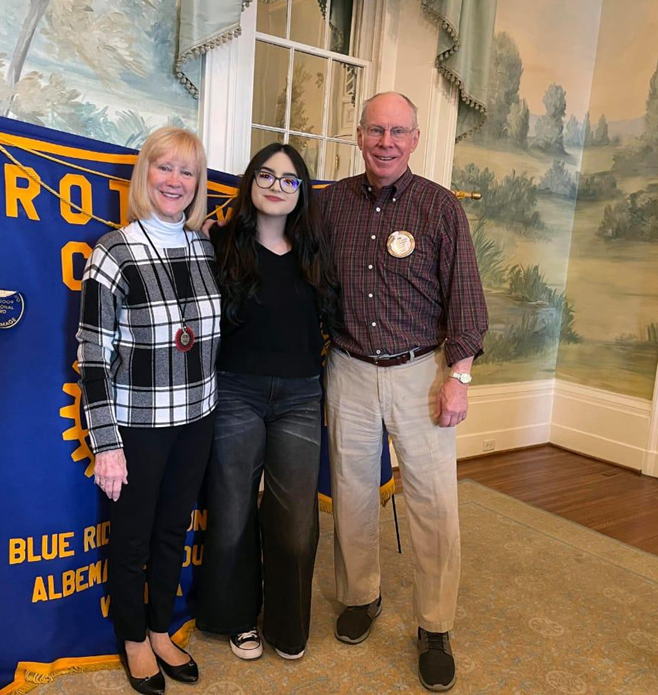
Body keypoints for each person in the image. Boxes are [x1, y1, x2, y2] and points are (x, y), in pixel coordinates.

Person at [318, 92, 488, 692]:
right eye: (375, 131)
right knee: (353, 494)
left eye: (398, 132)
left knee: (434, 505)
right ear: (358, 135)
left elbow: (467, 299)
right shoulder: (331, 203)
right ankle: (361, 597)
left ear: (415, 139)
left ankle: (435, 626)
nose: (386, 142)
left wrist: (459, 378)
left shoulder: (440, 208)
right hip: (350, 370)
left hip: (423, 374)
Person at [77, 126, 221, 695]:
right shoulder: (114, 252)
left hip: (198, 418)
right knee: (132, 537)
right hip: (137, 425)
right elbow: (92, 354)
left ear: (197, 184)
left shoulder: (206, 248)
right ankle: (134, 638)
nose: (175, 181)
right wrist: (106, 443)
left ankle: (162, 628)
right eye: (165, 167)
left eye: (187, 172)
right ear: (145, 174)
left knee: (172, 530)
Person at [196, 143, 338, 661]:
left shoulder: (314, 251)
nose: (276, 186)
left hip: (301, 395)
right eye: (266, 175)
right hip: (236, 390)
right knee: (232, 508)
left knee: (295, 516)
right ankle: (235, 618)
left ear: (301, 192)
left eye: (289, 179)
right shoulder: (220, 243)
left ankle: (287, 623)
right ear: (250, 182)